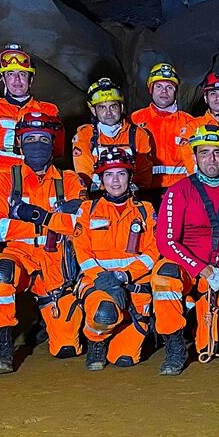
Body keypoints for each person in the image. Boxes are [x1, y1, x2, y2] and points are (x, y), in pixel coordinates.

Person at [0, 111, 87, 373]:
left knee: (67, 348)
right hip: (19, 255)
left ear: (53, 143)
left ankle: (45, 319)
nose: (37, 144)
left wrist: (31, 214)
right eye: (30, 139)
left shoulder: (71, 180)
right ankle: (4, 347)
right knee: (0, 273)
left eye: (43, 138)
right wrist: (53, 219)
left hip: (56, 261)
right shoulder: (4, 178)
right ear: (19, 143)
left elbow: (80, 225)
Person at [152, 125, 219, 375]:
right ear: (195, 156)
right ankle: (175, 348)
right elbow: (166, 242)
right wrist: (203, 269)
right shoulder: (178, 192)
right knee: (164, 277)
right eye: (205, 152)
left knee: (215, 347)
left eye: (217, 153)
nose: (211, 159)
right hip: (189, 270)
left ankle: (200, 314)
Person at [73, 148, 159, 370]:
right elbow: (82, 251)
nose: (115, 180)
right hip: (98, 283)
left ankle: (122, 337)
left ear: (130, 177)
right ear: (101, 180)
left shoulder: (145, 210)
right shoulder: (87, 209)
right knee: (104, 311)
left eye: (121, 174)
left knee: (125, 359)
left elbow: (153, 251)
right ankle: (96, 342)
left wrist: (125, 275)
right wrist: (104, 279)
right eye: (109, 175)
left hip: (135, 285)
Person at [0, 43, 61, 176]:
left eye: (22, 74)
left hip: (35, 177)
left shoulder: (49, 110)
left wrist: (17, 141)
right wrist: (35, 141)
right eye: (11, 74)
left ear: (31, 79)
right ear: (3, 79)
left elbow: (58, 148)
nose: (17, 80)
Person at [71, 78, 154, 191]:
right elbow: (84, 175)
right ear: (94, 111)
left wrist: (122, 194)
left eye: (113, 106)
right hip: (97, 199)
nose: (108, 112)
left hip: (131, 199)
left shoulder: (138, 135)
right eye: (102, 107)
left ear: (121, 108)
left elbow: (143, 176)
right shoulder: (84, 135)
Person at [129, 62, 191, 191]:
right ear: (151, 90)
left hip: (180, 190)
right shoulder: (134, 120)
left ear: (176, 91)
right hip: (143, 190)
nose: (164, 91)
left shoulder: (190, 122)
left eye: (169, 87)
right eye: (158, 86)